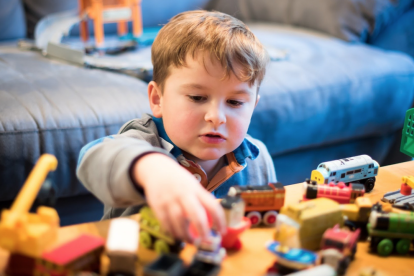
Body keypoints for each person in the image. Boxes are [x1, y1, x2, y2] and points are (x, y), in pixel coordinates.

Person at [77, 10, 276, 242]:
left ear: (252, 106)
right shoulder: (143, 141)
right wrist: (152, 168)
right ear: (158, 99)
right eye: (197, 97)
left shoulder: (257, 159)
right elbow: (92, 158)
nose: (216, 117)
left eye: (235, 102)